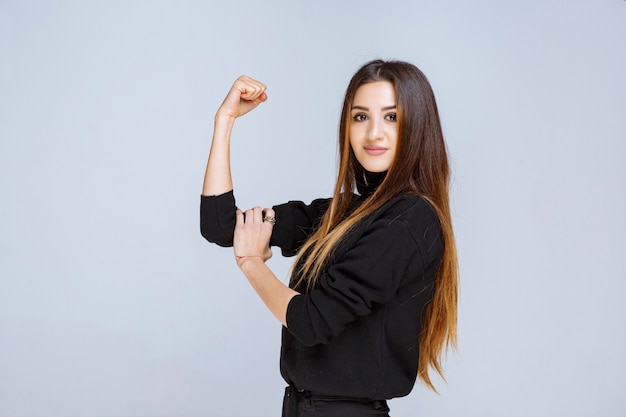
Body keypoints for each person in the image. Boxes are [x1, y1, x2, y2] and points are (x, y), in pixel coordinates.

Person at [200, 59, 458, 417]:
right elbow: (221, 225)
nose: (373, 133)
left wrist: (251, 263)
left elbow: (312, 321)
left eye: (391, 117)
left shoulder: (410, 221)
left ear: (418, 126)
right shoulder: (341, 214)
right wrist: (224, 122)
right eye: (361, 117)